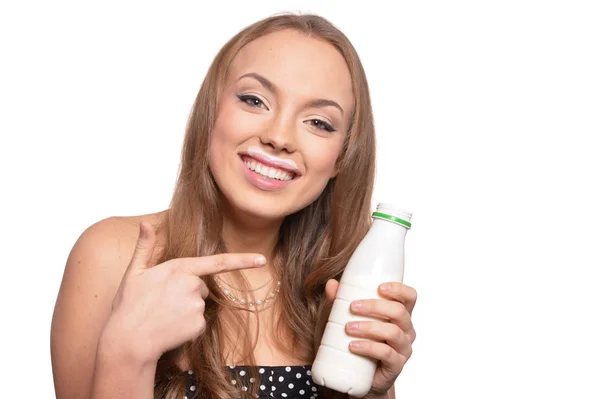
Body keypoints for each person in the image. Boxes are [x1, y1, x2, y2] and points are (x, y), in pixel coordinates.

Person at [50, 13, 417, 399]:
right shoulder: (113, 256)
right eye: (254, 100)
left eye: (318, 123)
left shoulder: (344, 287)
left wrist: (371, 393)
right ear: (211, 111)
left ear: (342, 158)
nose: (278, 137)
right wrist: (127, 354)